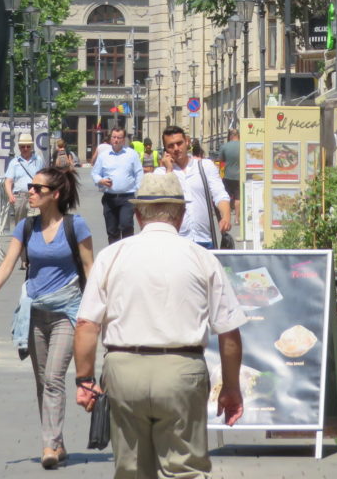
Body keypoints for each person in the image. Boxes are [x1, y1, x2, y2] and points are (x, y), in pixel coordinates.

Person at [73, 172, 246, 479]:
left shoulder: (112, 255)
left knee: (131, 470)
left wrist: (84, 380)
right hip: (182, 369)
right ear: (180, 215)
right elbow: (229, 332)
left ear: (138, 214)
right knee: (186, 470)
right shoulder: (202, 258)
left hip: (124, 370)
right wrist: (231, 386)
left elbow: (87, 324)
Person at [0, 166, 94, 470]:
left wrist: (97, 310)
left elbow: (89, 269)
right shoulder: (26, 228)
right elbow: (8, 261)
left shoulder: (76, 226)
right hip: (35, 312)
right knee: (42, 381)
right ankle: (58, 441)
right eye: (30, 187)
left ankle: (48, 445)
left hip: (67, 312)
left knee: (55, 378)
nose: (30, 191)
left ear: (54, 194)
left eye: (37, 188)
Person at [156, 125, 231, 248]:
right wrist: (169, 170)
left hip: (204, 239)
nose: (176, 148)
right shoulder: (161, 173)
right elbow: (162, 200)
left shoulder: (205, 166)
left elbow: (220, 194)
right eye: (170, 146)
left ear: (187, 142)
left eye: (179, 143)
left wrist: (226, 217)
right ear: (166, 150)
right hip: (175, 241)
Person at [92, 126, 144, 242]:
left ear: (123, 140)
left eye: (119, 138)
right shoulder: (103, 156)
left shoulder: (132, 154)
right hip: (109, 198)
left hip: (127, 197)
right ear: (110, 138)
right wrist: (100, 180)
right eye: (114, 137)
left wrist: (138, 190)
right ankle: (114, 255)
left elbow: (139, 173)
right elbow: (95, 173)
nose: (116, 140)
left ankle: (126, 254)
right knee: (112, 230)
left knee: (126, 225)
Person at [5, 135, 42, 228]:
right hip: (19, 197)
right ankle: (22, 241)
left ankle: (32, 240)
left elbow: (45, 177)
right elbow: (8, 181)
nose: (25, 149)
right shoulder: (14, 162)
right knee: (21, 225)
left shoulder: (38, 160)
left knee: (35, 221)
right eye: (23, 146)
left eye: (28, 146)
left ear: (31, 147)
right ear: (19, 147)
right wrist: (10, 195)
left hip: (34, 195)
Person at [219, 128, 241, 216]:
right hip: (239, 175)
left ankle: (226, 216)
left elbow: (220, 162)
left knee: (227, 196)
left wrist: (220, 175)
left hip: (227, 176)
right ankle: (236, 219)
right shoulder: (242, 145)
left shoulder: (224, 147)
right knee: (238, 197)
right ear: (238, 136)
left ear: (230, 136)